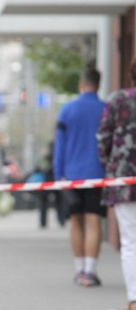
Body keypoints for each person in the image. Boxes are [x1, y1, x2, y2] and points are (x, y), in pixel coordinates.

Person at [54, 65, 106, 286]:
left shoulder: (67, 110)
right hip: (98, 174)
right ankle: (91, 270)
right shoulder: (106, 109)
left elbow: (60, 146)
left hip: (72, 175)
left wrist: (59, 176)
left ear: (82, 84)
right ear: (97, 85)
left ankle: (79, 270)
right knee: (94, 222)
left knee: (76, 222)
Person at [97, 57, 136, 310]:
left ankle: (134, 299)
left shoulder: (118, 99)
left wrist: (109, 166)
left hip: (124, 178)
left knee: (131, 241)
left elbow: (103, 138)